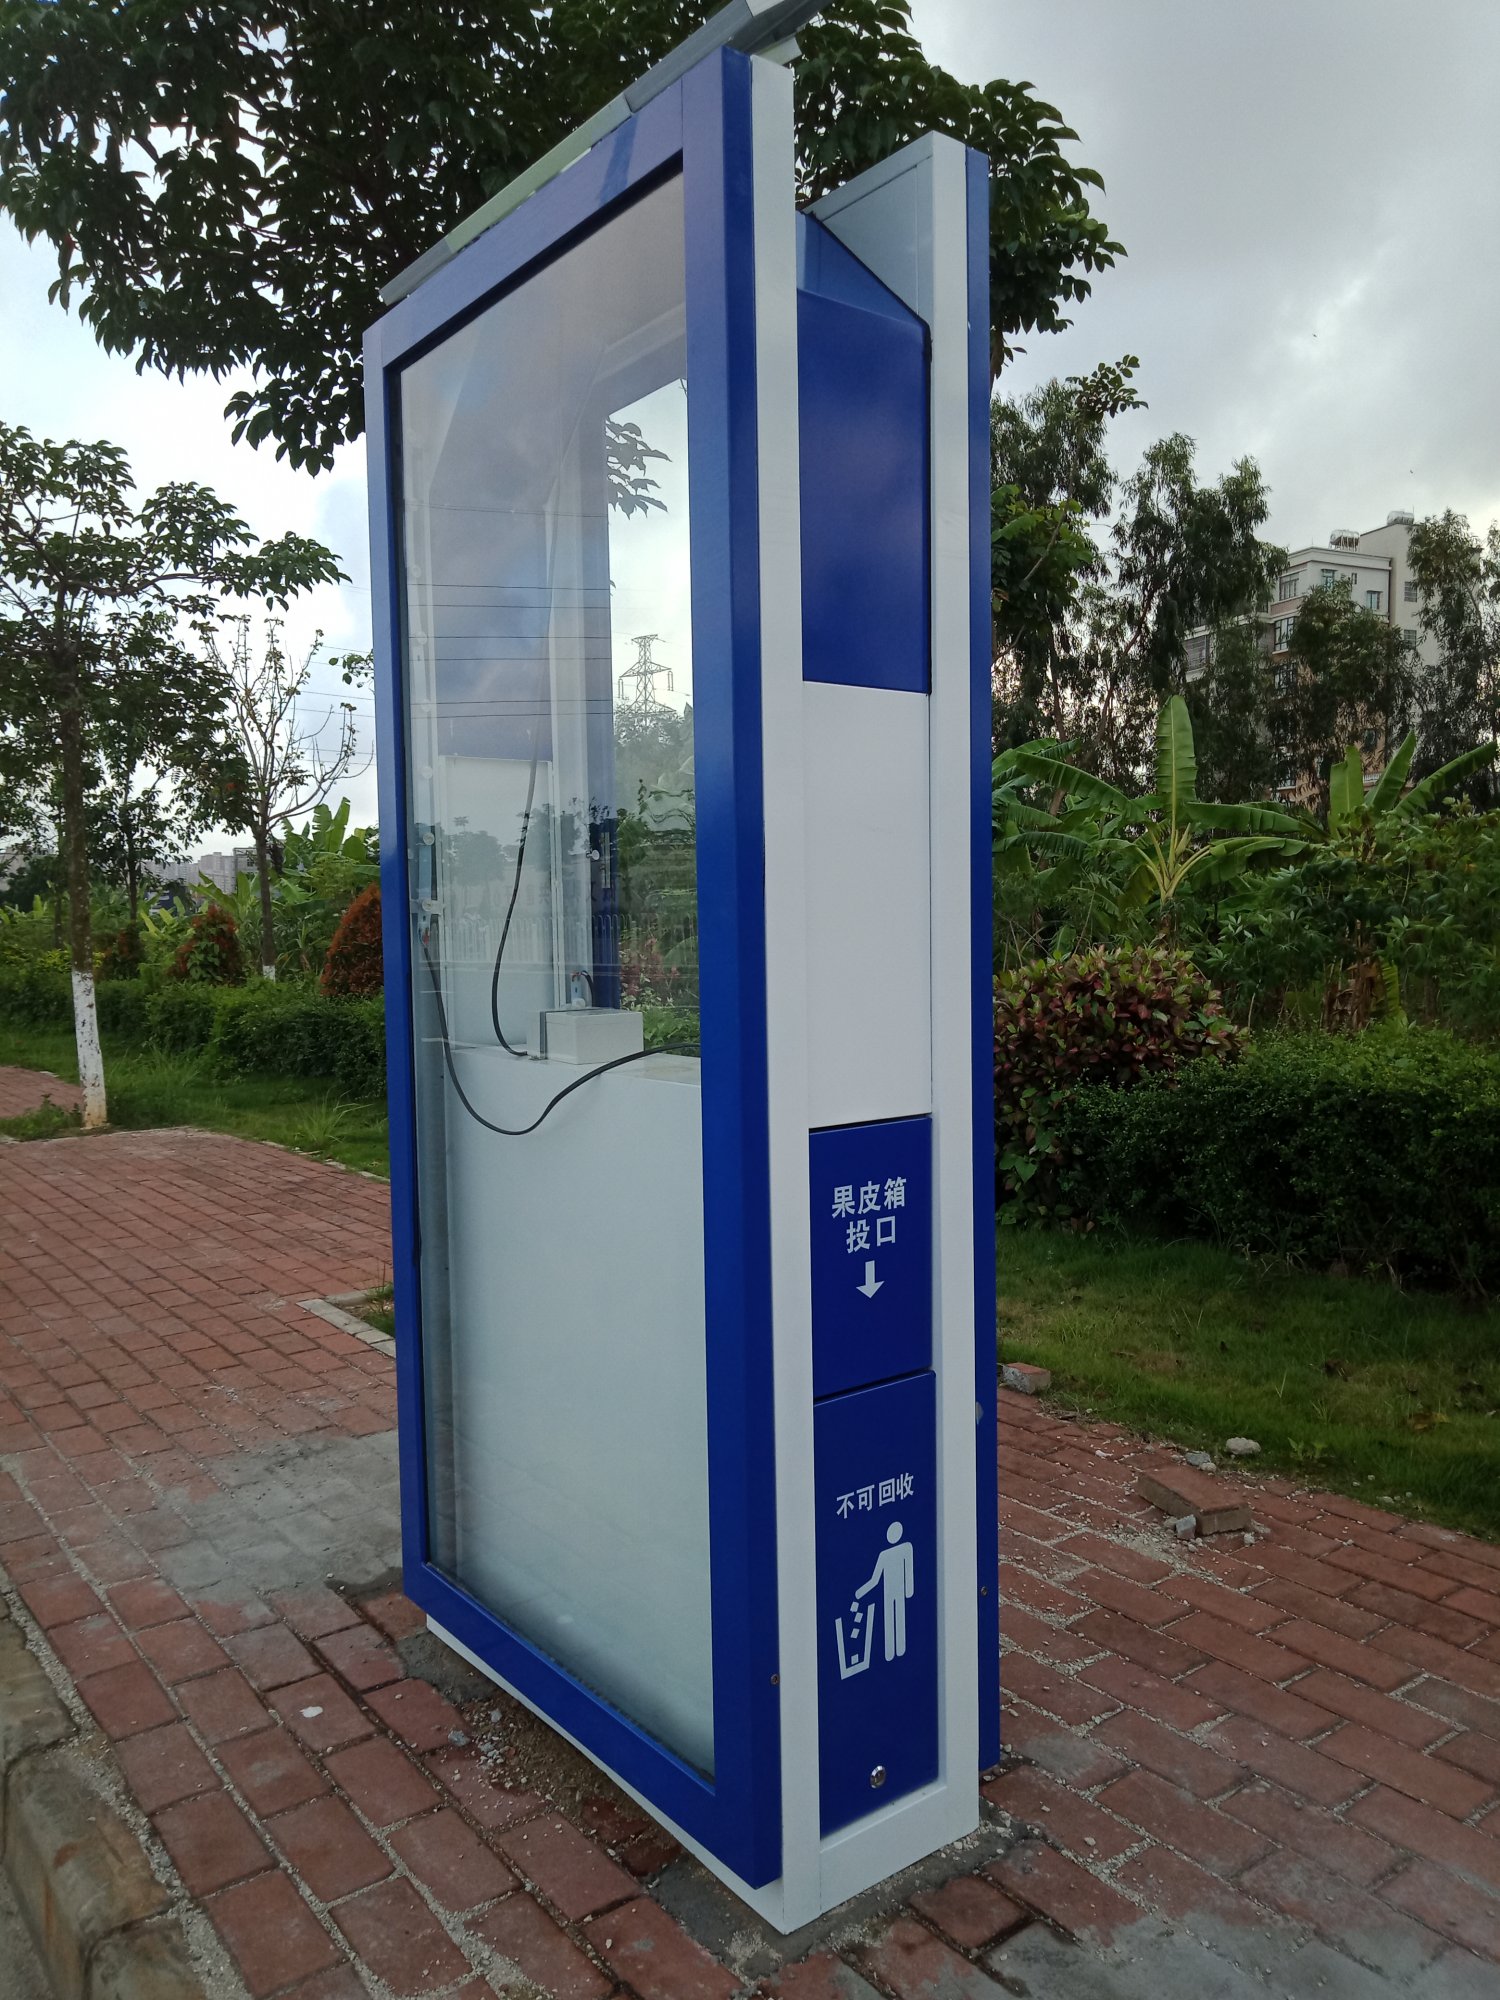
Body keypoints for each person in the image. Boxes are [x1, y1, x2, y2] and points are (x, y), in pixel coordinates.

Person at [854, 1520, 914, 1660]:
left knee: (899, 1617)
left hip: (899, 1591)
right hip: (888, 1592)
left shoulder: (906, 1548)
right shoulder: (884, 1555)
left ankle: (900, 1649)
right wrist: (861, 1592)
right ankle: (890, 1652)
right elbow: (875, 1579)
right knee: (890, 1619)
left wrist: (909, 1590)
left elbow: (908, 1570)